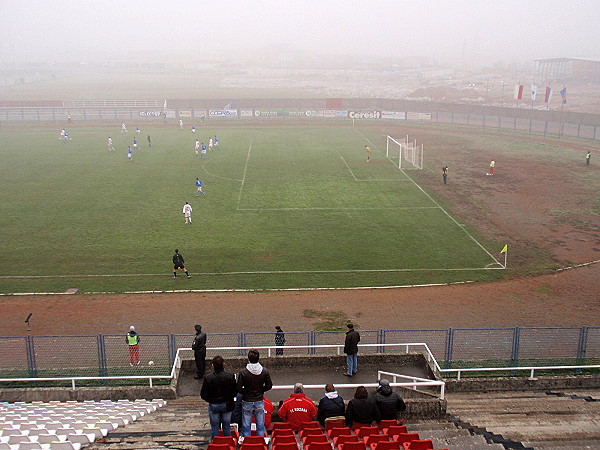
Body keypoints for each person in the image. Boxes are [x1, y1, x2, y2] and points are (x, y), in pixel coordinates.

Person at [237, 349, 273, 438]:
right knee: (260, 425)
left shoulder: (243, 372)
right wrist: (261, 390)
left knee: (246, 426)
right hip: (259, 400)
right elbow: (269, 385)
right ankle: (260, 442)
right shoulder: (264, 371)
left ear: (248, 359)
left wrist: (245, 392)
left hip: (247, 401)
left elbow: (238, 388)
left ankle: (248, 443)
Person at [200, 355, 237, 437]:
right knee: (227, 426)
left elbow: (203, 394)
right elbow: (235, 391)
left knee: (214, 427)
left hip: (214, 405)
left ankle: (216, 443)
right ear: (224, 364)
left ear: (213, 365)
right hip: (227, 404)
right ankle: (227, 443)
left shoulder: (208, 378)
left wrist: (210, 400)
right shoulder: (230, 376)